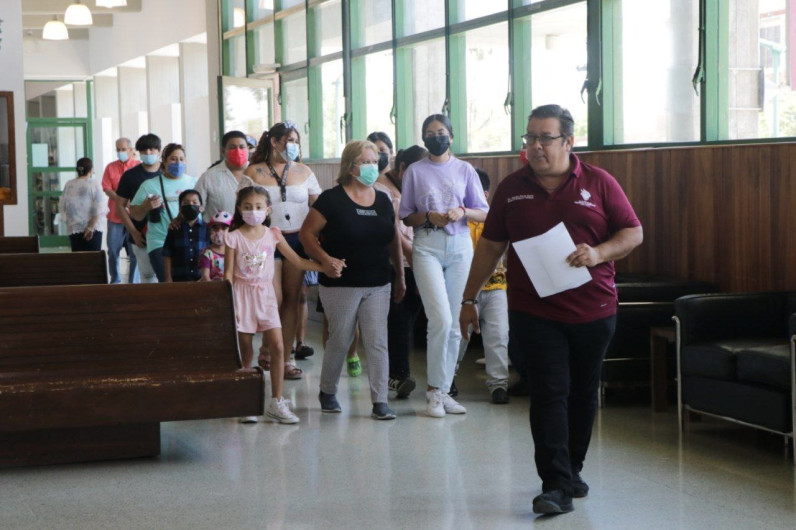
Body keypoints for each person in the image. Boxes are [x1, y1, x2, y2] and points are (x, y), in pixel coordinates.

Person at [459, 104, 643, 515]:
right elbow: (490, 246)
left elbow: (632, 231)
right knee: (549, 393)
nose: (535, 147)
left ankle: (571, 469)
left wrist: (598, 253)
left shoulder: (598, 182)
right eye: (529, 138)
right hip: (534, 312)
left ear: (568, 141)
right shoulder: (511, 188)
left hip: (594, 310)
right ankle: (555, 484)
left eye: (545, 138)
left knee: (582, 392)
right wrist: (469, 298)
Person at [300, 140, 406, 420]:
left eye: (375, 161)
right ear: (350, 166)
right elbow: (307, 235)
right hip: (341, 283)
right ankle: (327, 390)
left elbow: (393, 238)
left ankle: (380, 400)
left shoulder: (383, 199)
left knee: (377, 340)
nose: (372, 166)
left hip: (378, 281)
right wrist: (325, 260)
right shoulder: (331, 199)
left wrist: (401, 275)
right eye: (366, 162)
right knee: (341, 338)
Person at [225, 185, 343, 424]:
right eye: (247, 207)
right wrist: (229, 305)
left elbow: (298, 261)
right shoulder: (233, 237)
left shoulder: (273, 235)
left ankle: (276, 402)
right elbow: (228, 275)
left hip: (266, 297)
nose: (253, 211)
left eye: (258, 207)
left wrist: (324, 267)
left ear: (268, 209)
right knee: (245, 352)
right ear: (239, 209)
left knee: (278, 347)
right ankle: (247, 402)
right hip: (241, 297)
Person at [398, 114, 489, 418]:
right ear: (424, 138)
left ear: (451, 136)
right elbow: (406, 215)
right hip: (427, 246)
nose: (435, 137)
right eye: (429, 133)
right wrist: (427, 216)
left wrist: (462, 210)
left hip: (461, 246)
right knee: (440, 319)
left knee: (455, 325)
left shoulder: (465, 170)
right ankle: (434, 393)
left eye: (440, 132)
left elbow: (483, 212)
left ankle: (444, 388)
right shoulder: (415, 171)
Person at [241, 121, 322, 380]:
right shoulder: (254, 172)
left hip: (297, 239)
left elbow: (319, 206)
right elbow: (242, 207)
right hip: (267, 240)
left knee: (292, 299)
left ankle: (284, 358)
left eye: (297, 141)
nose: (294, 146)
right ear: (274, 142)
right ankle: (266, 346)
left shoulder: (304, 171)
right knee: (273, 298)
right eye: (289, 141)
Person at [373, 141, 428, 399]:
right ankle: (396, 375)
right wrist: (416, 261)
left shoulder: (408, 185)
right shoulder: (382, 190)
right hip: (397, 264)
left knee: (406, 320)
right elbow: (394, 232)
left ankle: (399, 374)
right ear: (403, 167)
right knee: (399, 320)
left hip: (418, 259)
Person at [455, 169, 510, 405]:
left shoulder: (496, 219)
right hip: (464, 288)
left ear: (485, 194)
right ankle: (448, 379)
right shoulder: (456, 222)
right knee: (458, 336)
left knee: (498, 336)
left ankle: (498, 385)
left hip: (496, 287)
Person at [130, 143, 198, 282]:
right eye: (173, 159)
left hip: (189, 240)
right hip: (160, 242)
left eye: (181, 159)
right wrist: (146, 206)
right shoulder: (150, 185)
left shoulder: (194, 183)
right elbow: (135, 214)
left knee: (191, 284)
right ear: (164, 161)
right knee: (168, 283)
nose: (178, 163)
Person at [115, 133, 163, 283]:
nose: (148, 153)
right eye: (144, 150)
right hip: (141, 235)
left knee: (167, 276)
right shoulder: (130, 176)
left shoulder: (167, 173)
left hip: (166, 234)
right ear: (138, 152)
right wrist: (134, 232)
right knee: (148, 276)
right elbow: (120, 206)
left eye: (152, 149)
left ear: (159, 151)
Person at [102, 137, 140, 283]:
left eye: (123, 149)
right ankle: (116, 280)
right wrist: (122, 200)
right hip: (115, 217)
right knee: (113, 250)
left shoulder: (138, 167)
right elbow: (106, 188)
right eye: (118, 149)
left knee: (134, 252)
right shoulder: (110, 167)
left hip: (134, 217)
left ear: (131, 150)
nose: (120, 152)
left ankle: (133, 281)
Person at [195, 131, 250, 223]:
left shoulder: (258, 174)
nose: (238, 151)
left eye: (242, 147)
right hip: (218, 234)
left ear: (248, 149)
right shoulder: (209, 176)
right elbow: (195, 206)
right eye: (232, 147)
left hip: (252, 234)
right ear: (223, 151)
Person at [59, 157, 107, 252]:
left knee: (78, 262)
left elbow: (63, 206)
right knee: (93, 262)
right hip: (93, 230)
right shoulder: (94, 184)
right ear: (91, 170)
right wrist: (90, 227)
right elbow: (100, 208)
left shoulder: (69, 184)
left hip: (74, 229)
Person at [162, 190, 209, 282]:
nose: (191, 205)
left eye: (195, 202)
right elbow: (167, 254)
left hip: (201, 279)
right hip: (178, 279)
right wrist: (168, 277)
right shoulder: (174, 228)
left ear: (201, 207)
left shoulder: (207, 229)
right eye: (186, 203)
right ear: (180, 208)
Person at [200, 211, 232, 281]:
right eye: (215, 228)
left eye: (224, 228)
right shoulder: (207, 253)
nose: (219, 232)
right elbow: (205, 276)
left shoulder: (234, 251)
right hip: (212, 289)